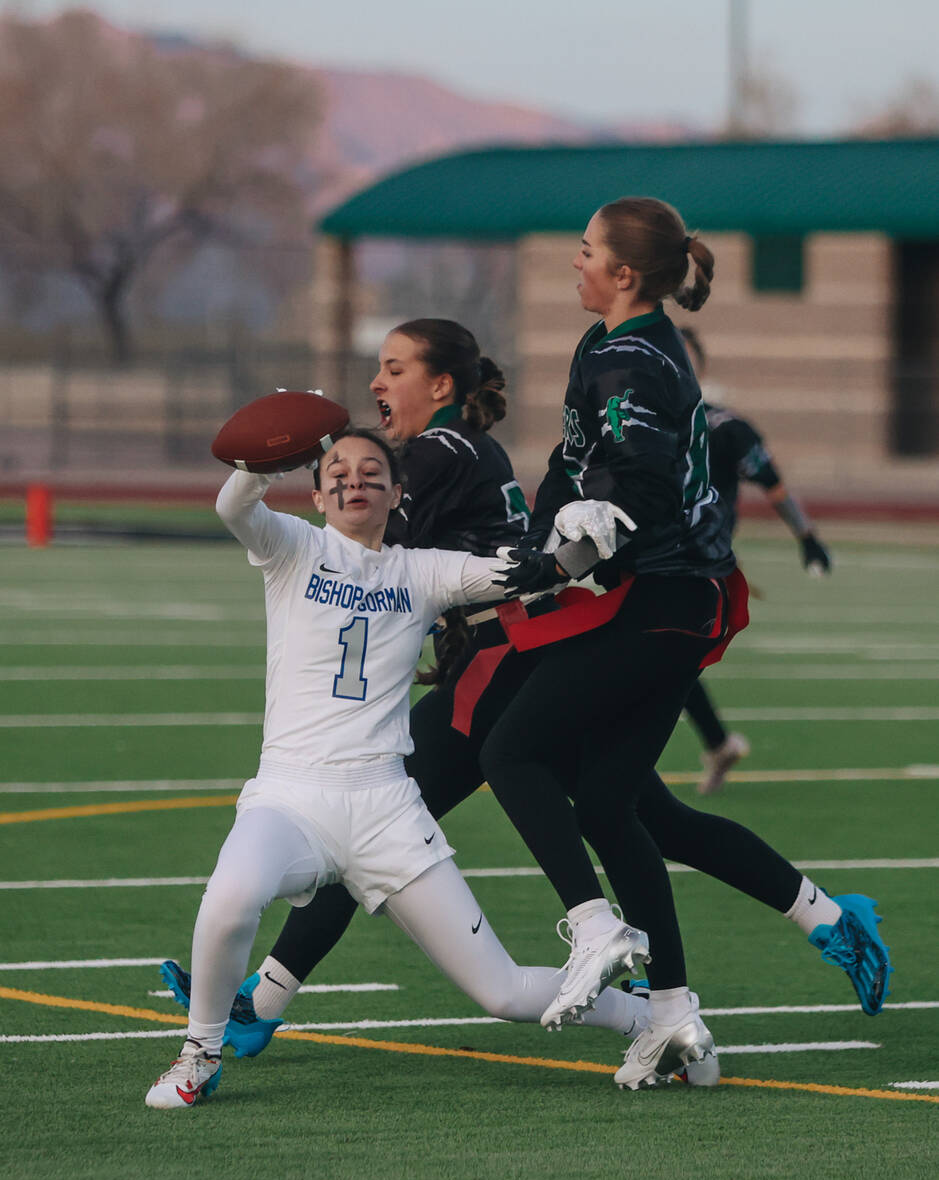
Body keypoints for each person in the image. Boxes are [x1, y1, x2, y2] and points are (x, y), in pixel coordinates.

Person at [479, 196, 891, 1089]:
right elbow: (571, 465)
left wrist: (577, 543)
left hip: (659, 603)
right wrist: (533, 544)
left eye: (585, 251)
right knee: (620, 806)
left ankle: (595, 926)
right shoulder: (610, 345)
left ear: (625, 274)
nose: (573, 263)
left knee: (511, 748)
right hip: (663, 601)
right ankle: (688, 1003)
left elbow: (641, 489)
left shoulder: (630, 355)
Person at [145, 428, 654, 1109]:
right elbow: (234, 509)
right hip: (292, 797)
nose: (354, 482)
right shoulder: (294, 547)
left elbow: (537, 573)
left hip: (386, 809)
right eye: (338, 473)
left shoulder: (422, 570)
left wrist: (587, 534)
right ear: (320, 492)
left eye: (371, 472)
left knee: (499, 991)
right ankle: (199, 1054)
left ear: (397, 491)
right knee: (230, 899)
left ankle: (646, 1018)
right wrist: (259, 463)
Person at [677, 326, 833, 794]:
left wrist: (807, 535)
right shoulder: (637, 425)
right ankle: (719, 744)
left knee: (654, 661)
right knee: (669, 665)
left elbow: (773, 484)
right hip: (651, 565)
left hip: (700, 568)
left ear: (698, 367)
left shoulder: (725, 427)